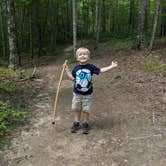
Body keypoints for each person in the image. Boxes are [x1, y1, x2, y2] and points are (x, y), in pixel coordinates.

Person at [64, 47, 118, 134]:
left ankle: (85, 123)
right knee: (76, 108)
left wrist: (111, 66)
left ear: (88, 57)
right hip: (77, 94)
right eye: (80, 54)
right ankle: (76, 122)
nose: (83, 56)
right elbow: (73, 79)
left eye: (85, 54)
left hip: (87, 94)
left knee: (86, 110)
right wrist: (67, 71)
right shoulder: (76, 68)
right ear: (77, 57)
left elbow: (101, 70)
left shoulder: (91, 67)